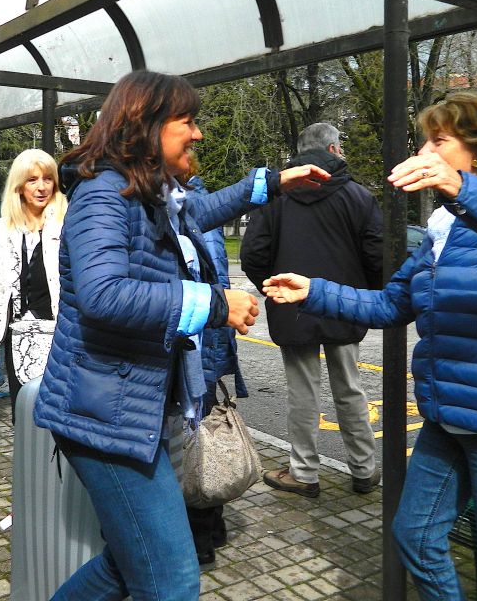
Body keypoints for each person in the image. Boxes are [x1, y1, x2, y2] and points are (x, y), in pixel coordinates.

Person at [32, 70, 329, 600]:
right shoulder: (104, 195)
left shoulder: (142, 191)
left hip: (135, 408)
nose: (197, 134)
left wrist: (273, 183)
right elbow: (103, 296)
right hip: (107, 416)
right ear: (146, 127)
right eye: (186, 122)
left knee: (128, 567)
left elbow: (195, 211)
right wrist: (215, 304)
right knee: (173, 580)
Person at [262, 92, 477, 601]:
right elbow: (389, 305)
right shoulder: (442, 229)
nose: (426, 149)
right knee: (415, 538)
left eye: (439, 140)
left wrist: (464, 191)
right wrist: (314, 290)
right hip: (447, 414)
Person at [240, 122, 384, 498]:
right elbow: (377, 256)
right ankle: (364, 469)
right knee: (351, 389)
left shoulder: (276, 197)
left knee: (302, 392)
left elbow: (253, 254)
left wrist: (274, 287)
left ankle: (303, 472)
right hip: (344, 305)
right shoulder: (358, 196)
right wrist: (362, 297)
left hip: (293, 308)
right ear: (335, 150)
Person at [184, 173, 248, 566]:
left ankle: (201, 539)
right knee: (203, 438)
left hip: (198, 349)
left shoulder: (188, 216)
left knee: (196, 444)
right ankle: (213, 529)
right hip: (209, 348)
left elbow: (207, 289)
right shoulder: (199, 206)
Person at [0, 149, 66, 416]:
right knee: (24, 414)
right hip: (19, 337)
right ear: (19, 185)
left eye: (47, 179)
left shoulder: (65, 222)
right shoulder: (6, 226)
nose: (41, 187)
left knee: (58, 413)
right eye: (32, 180)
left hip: (59, 335)